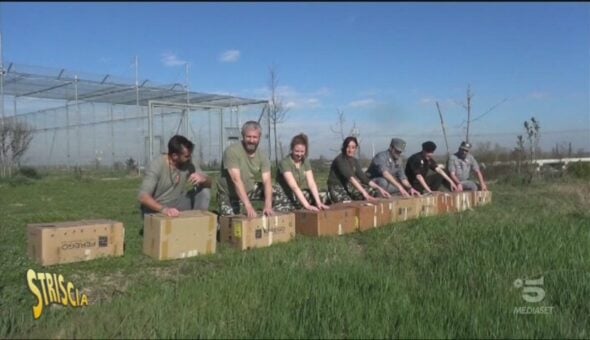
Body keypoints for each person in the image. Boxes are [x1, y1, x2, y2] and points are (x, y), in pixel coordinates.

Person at [138, 135, 212, 218]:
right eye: (186, 156)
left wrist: (204, 179)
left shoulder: (189, 161)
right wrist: (164, 209)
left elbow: (209, 184)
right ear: (174, 156)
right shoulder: (157, 165)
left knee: (204, 192)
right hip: (156, 207)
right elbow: (143, 197)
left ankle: (198, 224)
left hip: (177, 202)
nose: (189, 158)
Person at [217, 120, 274, 217]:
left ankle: (273, 212)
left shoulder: (263, 155)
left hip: (250, 189)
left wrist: (268, 204)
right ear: (243, 136)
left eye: (255, 137)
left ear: (259, 137)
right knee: (231, 220)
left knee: (274, 191)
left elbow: (267, 180)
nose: (251, 140)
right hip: (230, 193)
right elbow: (236, 180)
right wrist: (248, 206)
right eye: (248, 137)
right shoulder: (232, 151)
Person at [273, 133, 330, 212]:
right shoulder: (285, 163)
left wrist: (318, 202)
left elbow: (311, 183)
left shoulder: (305, 161)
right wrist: (307, 206)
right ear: (292, 149)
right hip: (285, 194)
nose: (299, 154)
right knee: (288, 209)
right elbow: (294, 186)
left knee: (323, 196)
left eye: (302, 151)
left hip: (299, 193)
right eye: (297, 151)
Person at [327, 136, 391, 203]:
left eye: (353, 147)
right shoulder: (340, 160)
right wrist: (365, 194)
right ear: (344, 147)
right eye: (348, 147)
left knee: (374, 192)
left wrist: (379, 188)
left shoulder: (354, 161)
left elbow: (363, 177)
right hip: (337, 188)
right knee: (349, 203)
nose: (350, 150)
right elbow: (351, 178)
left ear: (356, 148)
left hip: (349, 186)